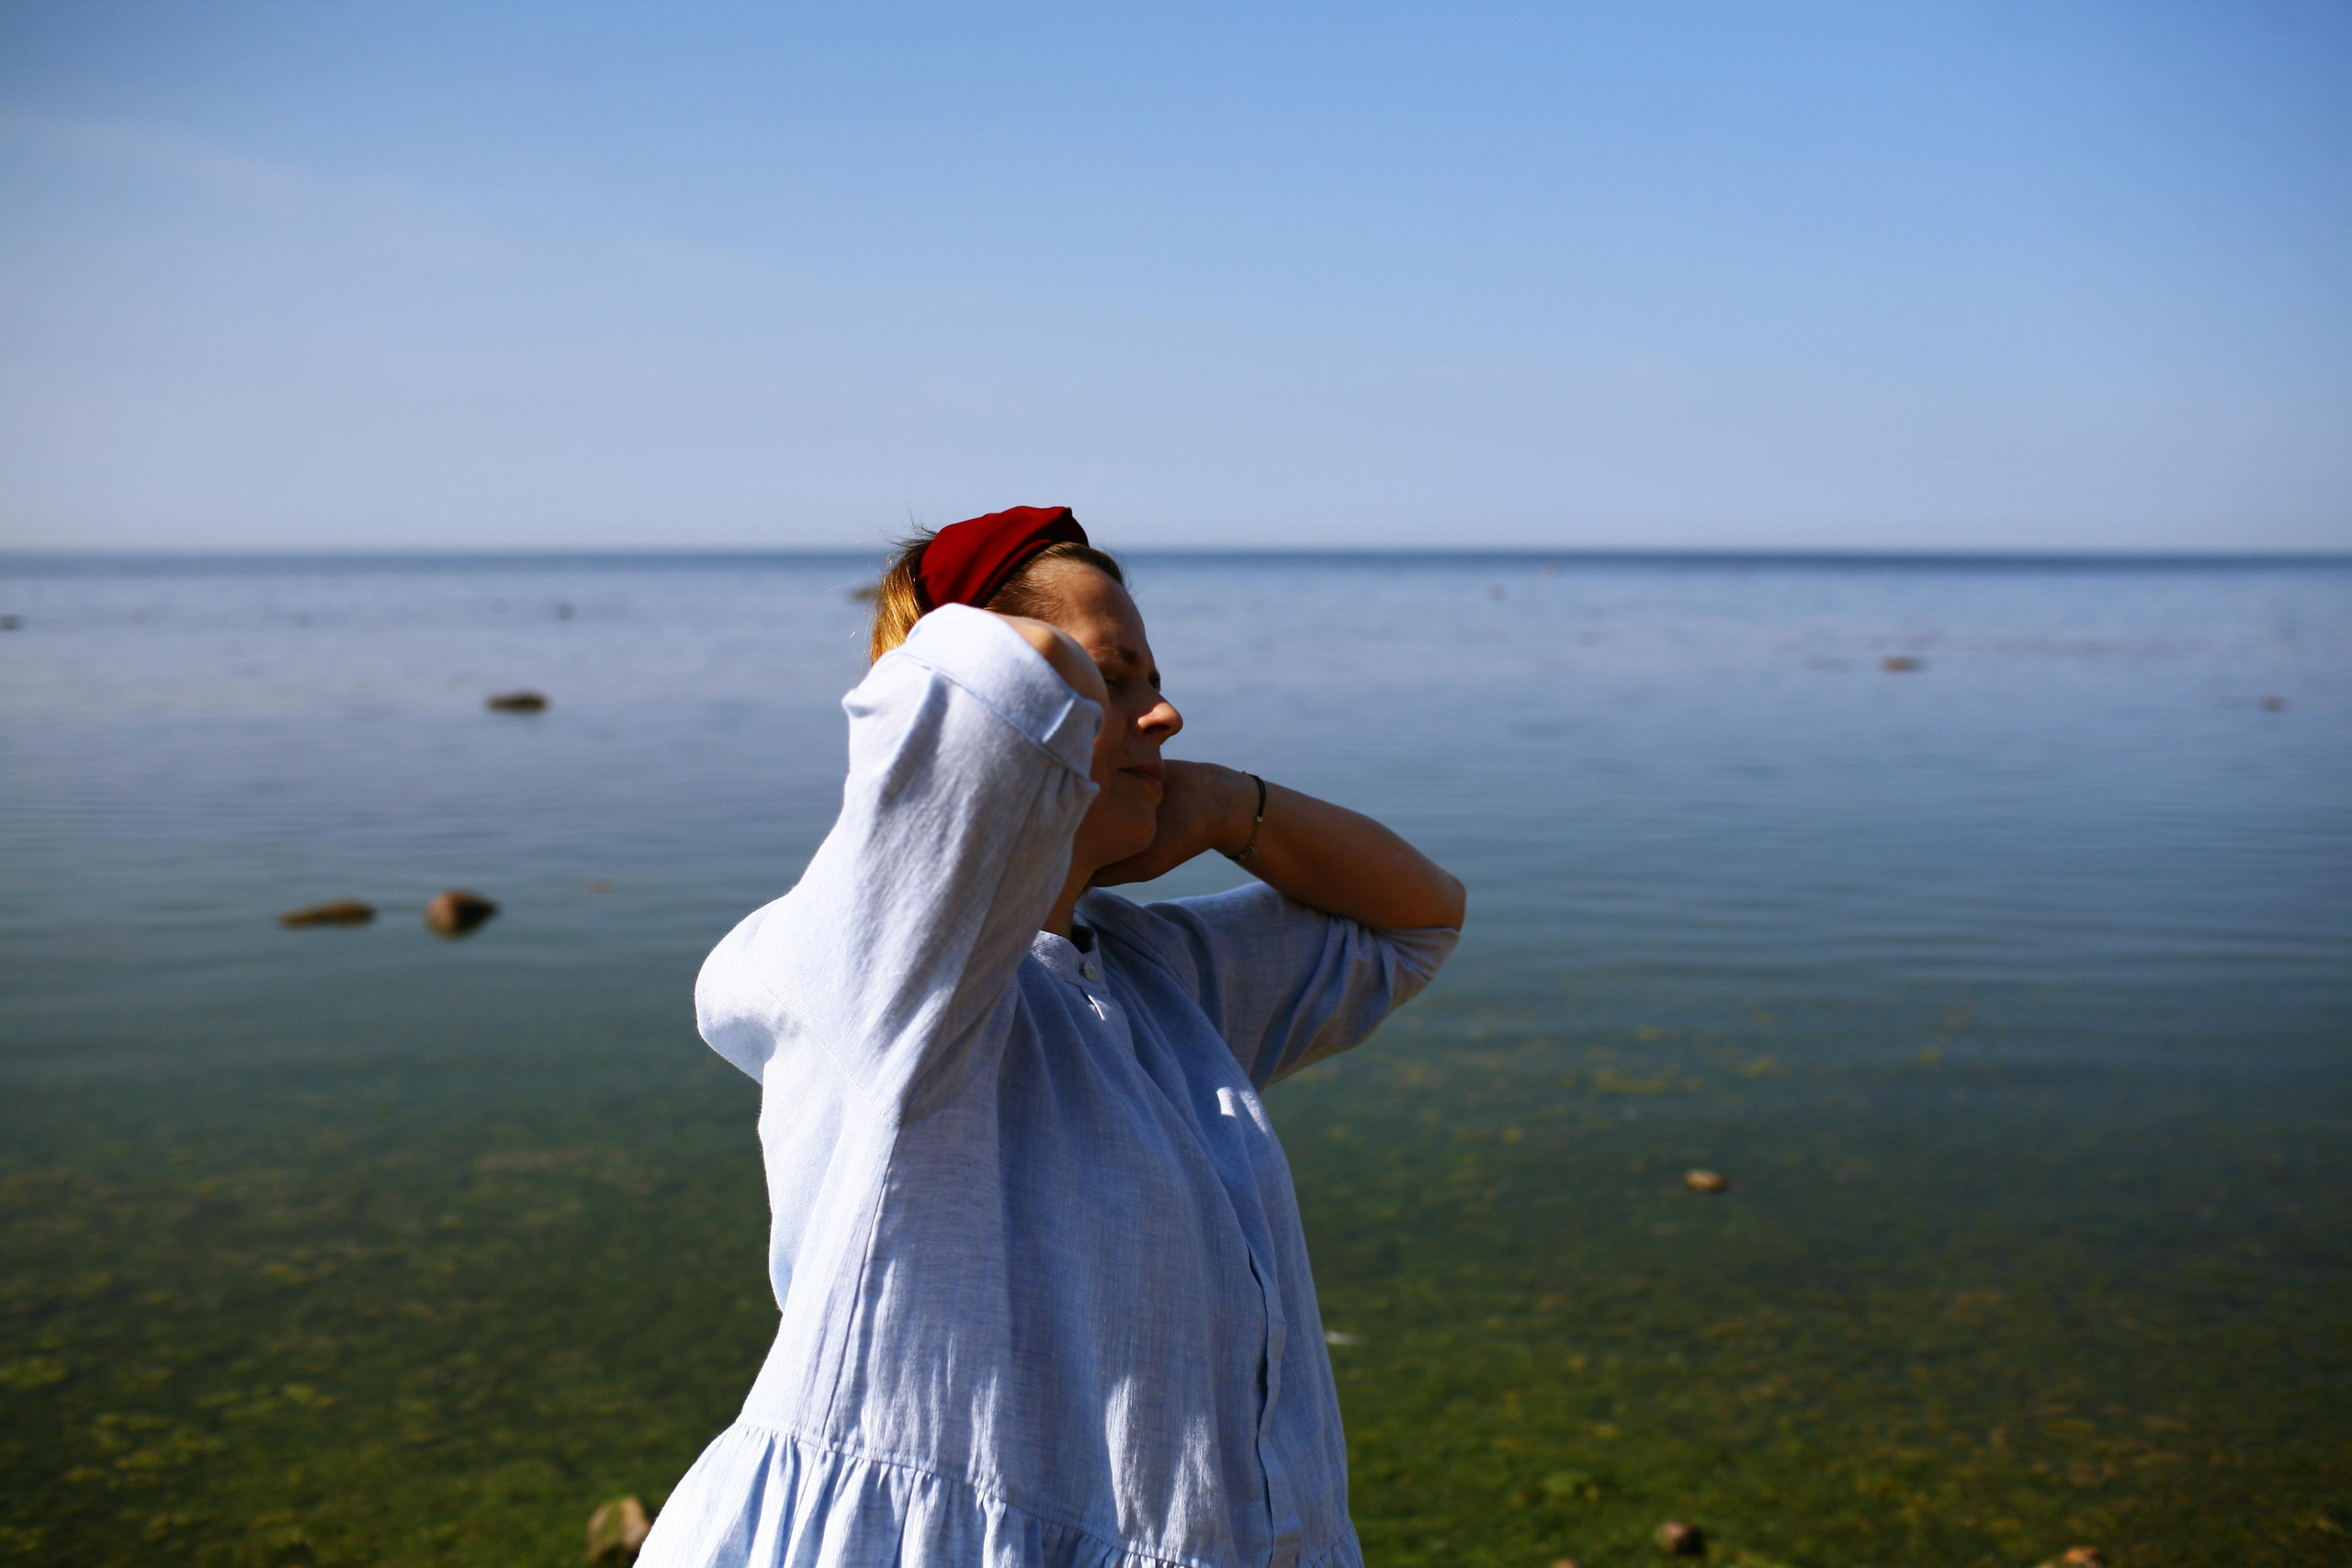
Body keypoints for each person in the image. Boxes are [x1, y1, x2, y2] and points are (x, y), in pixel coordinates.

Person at [641, 505, 1465, 1568]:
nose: (1163, 715)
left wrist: (1220, 806)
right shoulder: (887, 971)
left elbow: (1416, 921)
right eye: (1114, 678)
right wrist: (998, 628)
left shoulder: (1153, 979)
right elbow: (983, 673)